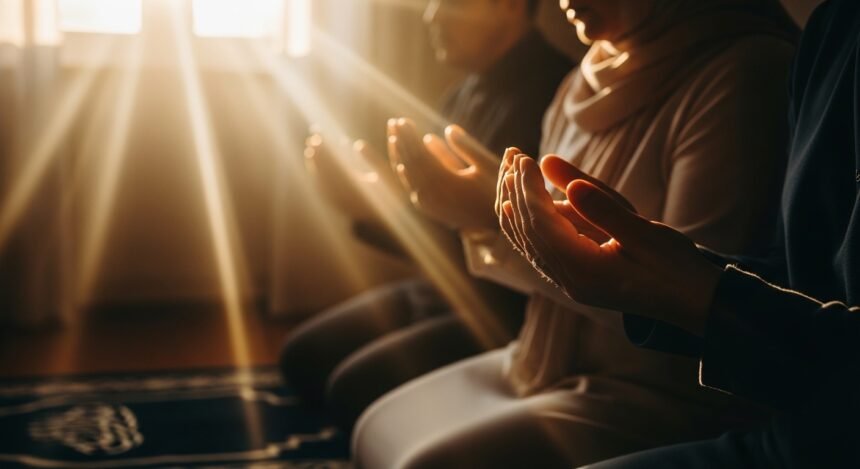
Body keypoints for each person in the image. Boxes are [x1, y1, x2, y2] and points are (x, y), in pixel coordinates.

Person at [352, 1, 799, 468]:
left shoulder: (743, 74)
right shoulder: (579, 80)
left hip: (652, 392)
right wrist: (498, 214)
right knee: (372, 430)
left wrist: (493, 218)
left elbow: (689, 318)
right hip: (541, 356)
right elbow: (550, 259)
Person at [497, 0, 860, 467]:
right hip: (802, 418)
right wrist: (661, 278)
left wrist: (683, 292)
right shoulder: (835, 29)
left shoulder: (748, 68)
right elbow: (796, 278)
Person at [279, 0, 573, 431]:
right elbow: (440, 227)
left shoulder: (548, 96)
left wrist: (389, 207)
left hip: (500, 314)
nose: (431, 16)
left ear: (508, 7)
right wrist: (372, 206)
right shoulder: (466, 91)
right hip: (439, 291)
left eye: (450, 3)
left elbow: (512, 259)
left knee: (349, 392)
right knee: (301, 358)